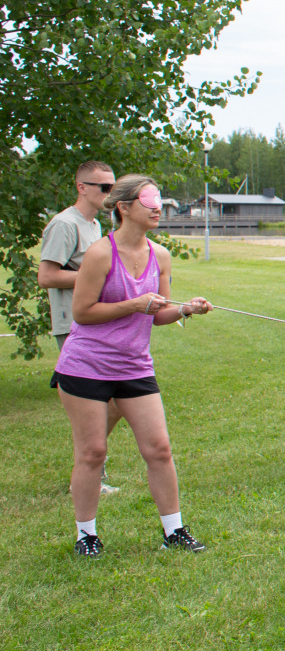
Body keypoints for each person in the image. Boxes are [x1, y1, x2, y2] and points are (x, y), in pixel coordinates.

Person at [52, 175, 214, 557]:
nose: (158, 207)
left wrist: (185, 309)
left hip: (134, 366)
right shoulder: (99, 254)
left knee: (159, 448)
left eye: (158, 201)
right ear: (124, 207)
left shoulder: (160, 255)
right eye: (148, 201)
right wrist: (133, 304)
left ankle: (173, 531)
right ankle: (86, 536)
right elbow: (82, 312)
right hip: (85, 366)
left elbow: (158, 314)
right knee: (92, 452)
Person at [38, 159, 123, 496]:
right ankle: (88, 477)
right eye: (104, 187)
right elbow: (46, 276)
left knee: (115, 402)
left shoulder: (92, 226)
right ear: (82, 187)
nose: (109, 194)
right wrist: (99, 275)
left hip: (97, 322)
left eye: (113, 187)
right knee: (95, 405)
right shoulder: (64, 224)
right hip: (74, 325)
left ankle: (89, 471)